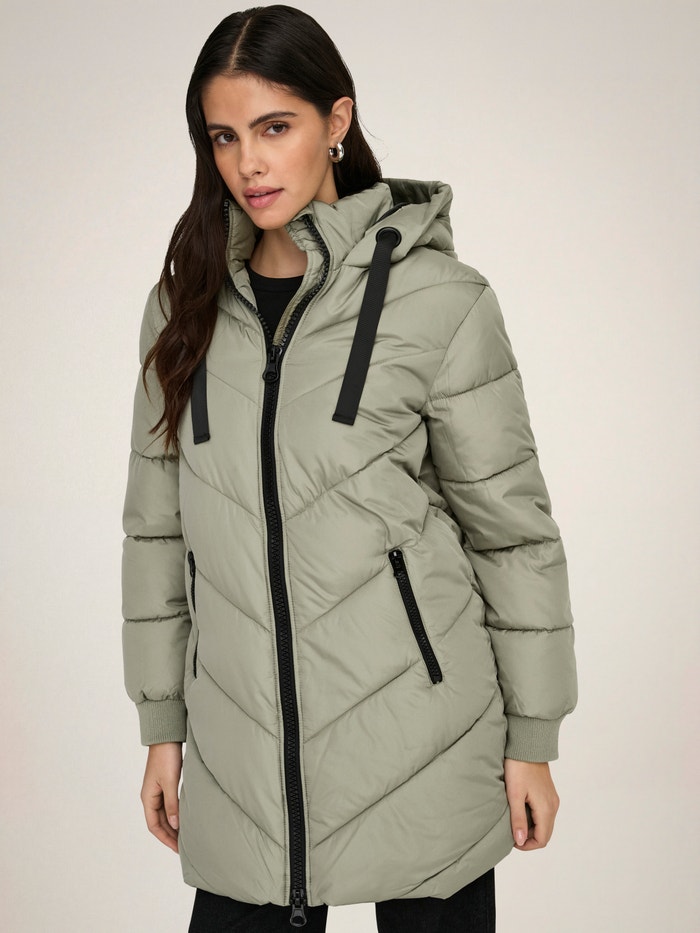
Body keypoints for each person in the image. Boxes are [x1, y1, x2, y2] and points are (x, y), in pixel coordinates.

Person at [121, 5, 578, 931]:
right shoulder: (185, 308)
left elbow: (512, 534)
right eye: (224, 137)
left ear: (337, 121)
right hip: (244, 757)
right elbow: (159, 532)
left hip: (426, 743)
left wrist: (532, 738)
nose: (248, 164)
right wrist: (164, 725)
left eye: (274, 128)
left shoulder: (438, 300)